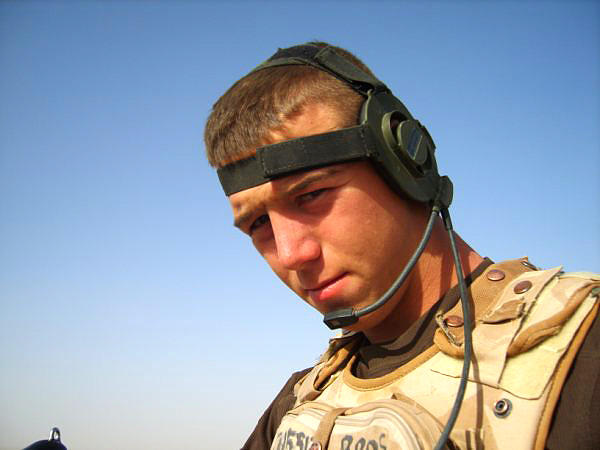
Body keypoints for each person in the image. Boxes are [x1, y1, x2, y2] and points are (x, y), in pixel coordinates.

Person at [204, 42, 600, 450]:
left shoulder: (583, 353)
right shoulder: (296, 406)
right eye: (259, 224)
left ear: (407, 166)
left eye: (311, 194)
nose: (291, 255)